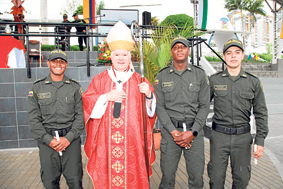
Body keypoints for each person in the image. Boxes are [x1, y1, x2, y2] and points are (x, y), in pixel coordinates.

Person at [82, 20, 156, 189]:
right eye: (117, 54)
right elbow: (87, 102)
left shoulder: (140, 80)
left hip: (133, 142)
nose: (121, 58)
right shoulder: (100, 79)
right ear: (111, 57)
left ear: (130, 57)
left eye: (124, 55)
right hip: (106, 141)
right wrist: (105, 97)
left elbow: (150, 113)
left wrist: (150, 95)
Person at [208, 38, 269, 188]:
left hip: (242, 139)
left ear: (242, 55)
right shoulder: (214, 80)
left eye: (237, 52)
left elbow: (261, 112)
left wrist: (260, 140)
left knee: (241, 180)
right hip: (219, 138)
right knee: (216, 179)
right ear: (224, 56)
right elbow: (202, 107)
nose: (233, 56)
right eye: (229, 53)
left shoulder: (253, 82)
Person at [154, 35, 210, 189]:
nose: (179, 50)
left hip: (194, 133)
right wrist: (173, 132)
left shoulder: (200, 74)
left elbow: (205, 106)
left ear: (188, 50)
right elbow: (159, 106)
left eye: (183, 46)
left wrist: (193, 132)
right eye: (176, 47)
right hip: (170, 133)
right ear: (171, 52)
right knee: (167, 179)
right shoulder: (162, 75)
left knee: (197, 179)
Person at [27, 49, 84, 189]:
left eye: (62, 61)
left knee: (75, 181)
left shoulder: (74, 87)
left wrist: (68, 138)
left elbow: (80, 116)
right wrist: (49, 140)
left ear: (66, 65)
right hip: (47, 141)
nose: (58, 64)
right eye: (54, 61)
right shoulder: (37, 87)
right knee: (49, 181)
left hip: (71, 141)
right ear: (48, 63)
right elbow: (33, 119)